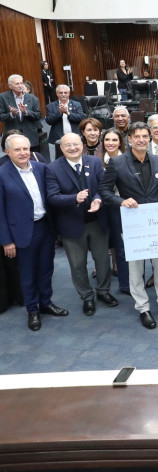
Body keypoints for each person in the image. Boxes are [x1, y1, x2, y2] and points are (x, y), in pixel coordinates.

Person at [99, 122, 158, 329]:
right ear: (129, 139)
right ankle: (143, 308)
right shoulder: (117, 163)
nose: (142, 140)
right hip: (132, 223)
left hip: (155, 223)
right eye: (137, 136)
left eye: (145, 136)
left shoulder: (156, 160)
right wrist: (122, 201)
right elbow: (104, 191)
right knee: (136, 270)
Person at [0, 134, 69, 331]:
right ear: (7, 152)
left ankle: (46, 303)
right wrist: (6, 241)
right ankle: (32, 310)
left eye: (25, 148)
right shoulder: (2, 174)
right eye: (17, 149)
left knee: (46, 269)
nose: (23, 153)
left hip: (45, 228)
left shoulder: (41, 168)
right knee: (28, 273)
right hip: (21, 233)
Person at [46, 133, 117, 317]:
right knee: (78, 265)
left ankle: (103, 291)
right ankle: (87, 297)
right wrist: (74, 199)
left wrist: (98, 200)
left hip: (97, 222)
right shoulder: (52, 168)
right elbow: (52, 197)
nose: (72, 148)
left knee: (102, 260)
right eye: (67, 145)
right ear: (61, 148)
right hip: (72, 226)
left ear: (82, 144)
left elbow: (104, 187)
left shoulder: (94, 162)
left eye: (76, 144)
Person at [98, 128, 129, 295]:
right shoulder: (97, 161)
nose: (110, 143)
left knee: (122, 247)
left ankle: (126, 284)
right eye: (107, 140)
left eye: (114, 140)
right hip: (103, 208)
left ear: (120, 142)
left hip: (122, 207)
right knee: (105, 245)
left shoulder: (126, 159)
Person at [0, 74, 43, 151]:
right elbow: (1, 116)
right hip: (12, 135)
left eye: (21, 83)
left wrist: (26, 112)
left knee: (33, 158)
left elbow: (38, 115)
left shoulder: (32, 98)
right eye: (17, 84)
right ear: (10, 86)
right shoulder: (2, 97)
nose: (20, 86)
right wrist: (11, 114)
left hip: (30, 134)